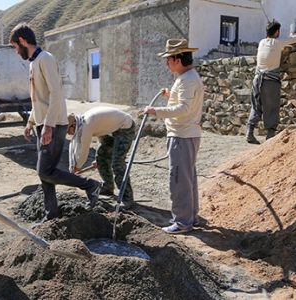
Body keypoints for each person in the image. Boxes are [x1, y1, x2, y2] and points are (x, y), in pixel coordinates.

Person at [9, 23, 102, 217]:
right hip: (43, 124)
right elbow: (39, 99)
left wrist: (49, 125)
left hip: (54, 125)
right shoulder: (34, 62)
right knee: (46, 174)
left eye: (16, 47)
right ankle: (51, 213)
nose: (16, 52)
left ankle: (90, 185)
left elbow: (56, 94)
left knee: (44, 171)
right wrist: (31, 122)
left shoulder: (45, 59)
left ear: (23, 41)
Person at [144, 39, 204, 234]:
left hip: (182, 135)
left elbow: (183, 109)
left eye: (168, 59)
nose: (166, 63)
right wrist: (170, 94)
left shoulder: (187, 79)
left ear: (178, 59)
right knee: (188, 178)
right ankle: (191, 217)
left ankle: (182, 222)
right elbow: (184, 100)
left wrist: (155, 111)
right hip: (187, 134)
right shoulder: (187, 77)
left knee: (178, 179)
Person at [67, 106, 135, 208]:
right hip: (110, 130)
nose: (69, 134)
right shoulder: (83, 122)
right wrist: (102, 158)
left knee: (117, 163)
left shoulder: (86, 125)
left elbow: (84, 150)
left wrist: (77, 167)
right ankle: (108, 187)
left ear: (73, 125)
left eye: (68, 131)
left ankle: (127, 198)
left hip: (124, 127)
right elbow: (101, 130)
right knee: (101, 156)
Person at [246, 20, 296, 144]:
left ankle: (249, 130)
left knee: (256, 106)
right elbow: (294, 40)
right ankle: (270, 135)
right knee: (272, 108)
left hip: (257, 79)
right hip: (270, 81)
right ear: (277, 32)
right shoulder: (277, 43)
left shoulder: (261, 42)